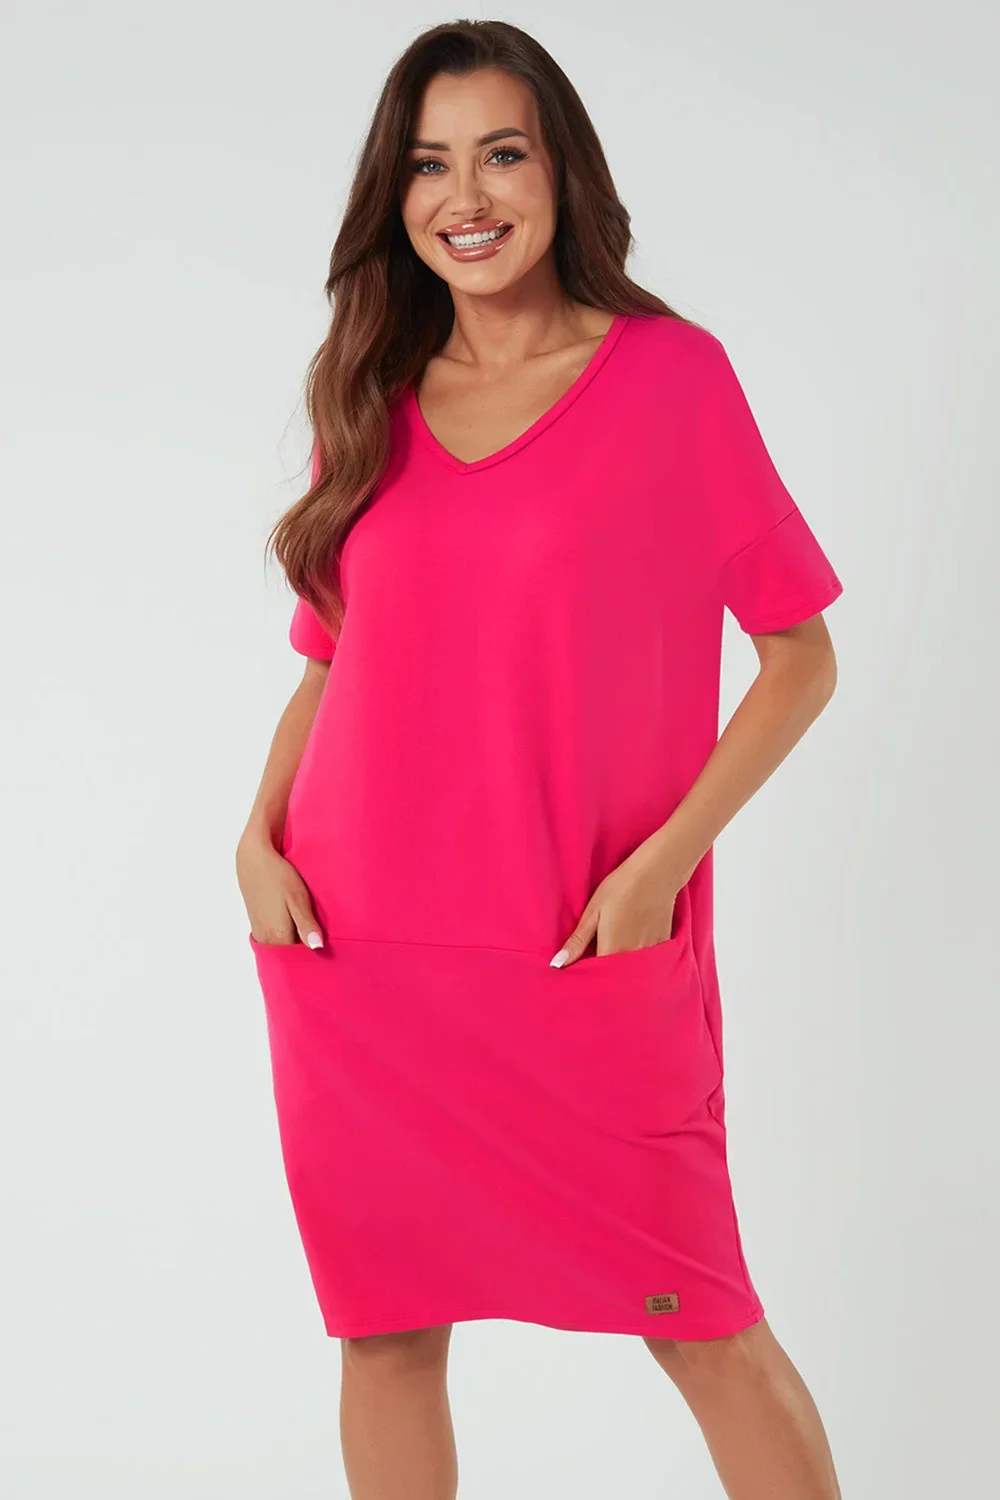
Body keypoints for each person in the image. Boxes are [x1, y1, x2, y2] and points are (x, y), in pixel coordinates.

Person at [236, 19, 845, 1500]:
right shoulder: (369, 399)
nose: (466, 195)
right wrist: (254, 839)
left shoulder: (671, 378)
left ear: (560, 171)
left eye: (501, 153)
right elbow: (330, 664)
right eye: (428, 164)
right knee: (386, 1334)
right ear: (394, 196)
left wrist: (657, 874)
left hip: (582, 942)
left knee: (703, 1323)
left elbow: (801, 659)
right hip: (358, 954)